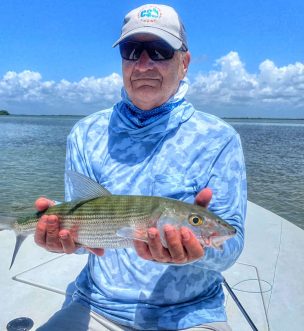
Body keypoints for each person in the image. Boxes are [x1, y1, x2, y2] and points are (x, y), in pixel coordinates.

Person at [35, 4, 247, 331]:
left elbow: (230, 245)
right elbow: (84, 234)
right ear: (122, 61)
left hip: (190, 314)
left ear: (185, 63)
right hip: (95, 303)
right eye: (132, 51)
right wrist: (64, 239)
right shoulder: (85, 133)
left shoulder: (219, 139)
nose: (144, 64)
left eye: (160, 51)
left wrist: (199, 251)